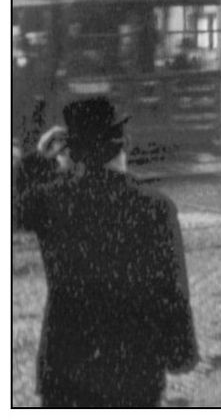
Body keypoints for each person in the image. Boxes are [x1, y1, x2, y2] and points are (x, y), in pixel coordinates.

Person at [12, 97, 199, 406]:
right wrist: (180, 354)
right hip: (133, 370)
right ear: (121, 146)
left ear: (71, 153)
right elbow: (172, 291)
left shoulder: (52, 201)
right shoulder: (155, 207)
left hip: (65, 368)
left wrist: (38, 160)